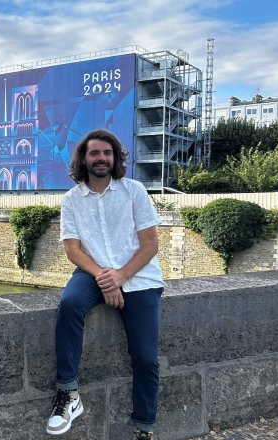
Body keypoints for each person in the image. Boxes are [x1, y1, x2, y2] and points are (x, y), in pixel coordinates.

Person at [46, 130, 165, 440]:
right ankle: (68, 395)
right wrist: (105, 278)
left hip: (138, 277)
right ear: (83, 159)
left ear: (115, 158)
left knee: (145, 358)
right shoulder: (71, 199)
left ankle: (144, 426)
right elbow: (72, 249)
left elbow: (150, 244)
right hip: (92, 272)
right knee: (70, 304)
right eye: (95, 153)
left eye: (107, 153)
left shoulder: (134, 191)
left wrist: (121, 277)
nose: (101, 158)